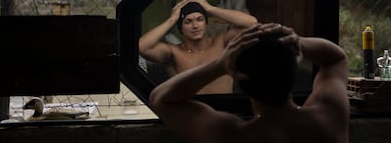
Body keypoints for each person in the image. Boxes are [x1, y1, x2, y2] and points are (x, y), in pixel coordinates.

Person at [149, 23, 349, 143]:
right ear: (295, 65)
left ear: (237, 75)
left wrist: (219, 64)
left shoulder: (233, 136)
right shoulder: (329, 117)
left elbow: (160, 99)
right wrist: (296, 41)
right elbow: (336, 58)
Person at [139, 0, 258, 94]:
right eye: (188, 22)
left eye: (200, 19)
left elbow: (252, 23)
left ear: (206, 23)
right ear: (181, 28)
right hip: (191, 114)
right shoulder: (174, 53)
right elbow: (142, 47)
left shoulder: (222, 42)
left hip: (224, 111)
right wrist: (172, 19)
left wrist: (211, 9)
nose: (195, 26)